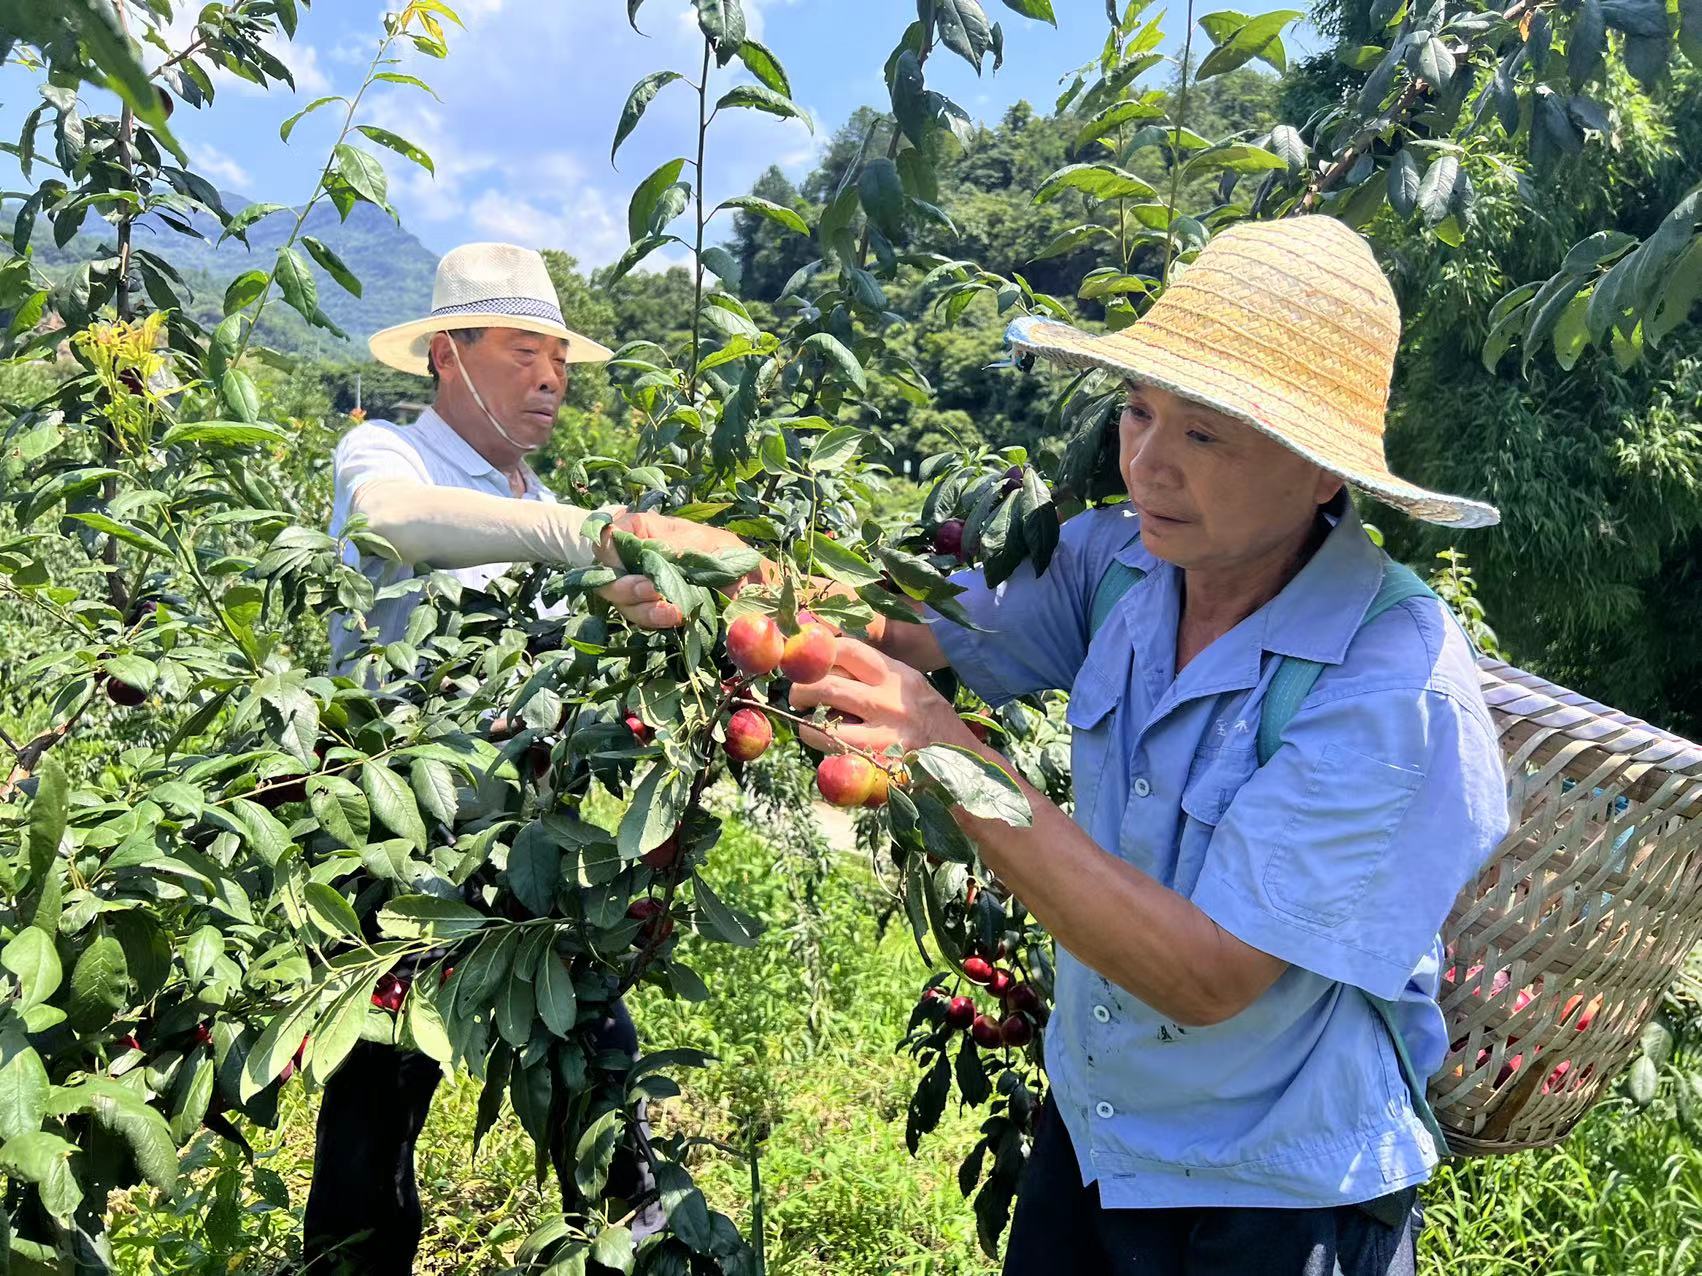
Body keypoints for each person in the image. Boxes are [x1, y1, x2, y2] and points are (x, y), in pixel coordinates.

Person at [667, 217, 1509, 1275]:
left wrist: (952, 757)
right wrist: (716, 573)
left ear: (1319, 474)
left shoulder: (1391, 683)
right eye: (1137, 411)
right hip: (1104, 1132)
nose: (1148, 465)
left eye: (1205, 434)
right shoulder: (1120, 569)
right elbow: (903, 625)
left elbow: (1210, 978)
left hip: (1276, 1194)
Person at [312, 242, 707, 1274]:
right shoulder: (390, 456)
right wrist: (583, 535)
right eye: (524, 350)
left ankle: (637, 1249)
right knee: (376, 1117)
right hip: (404, 853)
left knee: (600, 1077)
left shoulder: (536, 487)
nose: (551, 376)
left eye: (561, 358)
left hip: (532, 854)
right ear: (447, 353)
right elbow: (386, 525)